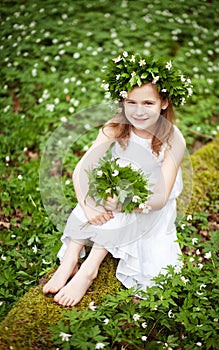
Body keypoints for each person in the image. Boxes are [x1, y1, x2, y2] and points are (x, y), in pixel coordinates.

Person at [43, 52, 193, 306]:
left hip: (151, 200)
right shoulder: (115, 127)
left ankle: (89, 269)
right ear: (122, 101)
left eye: (148, 103)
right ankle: (70, 260)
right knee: (97, 194)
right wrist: (90, 206)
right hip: (117, 187)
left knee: (122, 207)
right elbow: (81, 169)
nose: (138, 111)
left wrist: (123, 204)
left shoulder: (173, 138)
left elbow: (161, 196)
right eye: (131, 102)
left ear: (164, 103)